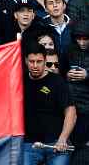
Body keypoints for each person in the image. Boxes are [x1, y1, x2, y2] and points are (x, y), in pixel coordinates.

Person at [22, 42, 76, 164]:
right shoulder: (20, 81)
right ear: (26, 61)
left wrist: (63, 139)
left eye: (39, 61)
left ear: (45, 60)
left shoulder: (57, 81)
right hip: (29, 144)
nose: (35, 65)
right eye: (31, 61)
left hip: (56, 144)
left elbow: (71, 112)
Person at [65, 25, 89, 163]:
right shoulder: (69, 51)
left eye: (85, 39)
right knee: (75, 146)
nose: (82, 42)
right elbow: (59, 71)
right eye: (79, 39)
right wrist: (67, 75)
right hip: (72, 105)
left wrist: (87, 75)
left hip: (86, 106)